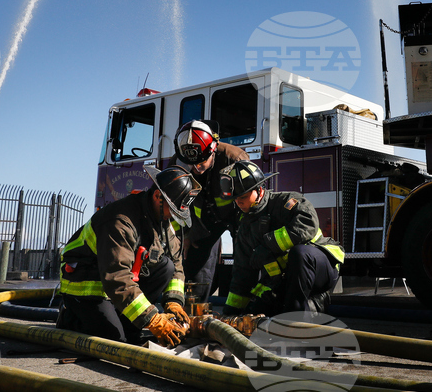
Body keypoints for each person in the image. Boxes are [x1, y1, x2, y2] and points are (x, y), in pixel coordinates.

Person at [58, 166, 199, 346]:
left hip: (116, 286)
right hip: (88, 284)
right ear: (157, 196)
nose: (173, 216)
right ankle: (71, 317)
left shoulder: (161, 219)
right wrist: (152, 319)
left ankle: (129, 325)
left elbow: (177, 264)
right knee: (113, 341)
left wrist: (174, 301)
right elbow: (117, 277)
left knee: (167, 267)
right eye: (172, 210)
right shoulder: (120, 221)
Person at [222, 160, 344, 317]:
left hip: (320, 268)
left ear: (259, 190)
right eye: (235, 199)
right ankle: (300, 311)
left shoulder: (286, 202)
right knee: (259, 311)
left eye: (243, 197)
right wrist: (229, 314)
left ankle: (294, 321)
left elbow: (308, 224)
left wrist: (268, 244)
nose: (239, 202)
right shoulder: (245, 228)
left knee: (300, 253)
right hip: (286, 280)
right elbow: (242, 274)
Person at [171, 120, 248, 302]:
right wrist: (186, 235)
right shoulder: (178, 163)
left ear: (213, 150)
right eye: (191, 163)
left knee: (246, 261)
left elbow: (252, 199)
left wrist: (250, 232)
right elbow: (174, 205)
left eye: (201, 162)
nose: (195, 168)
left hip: (239, 215)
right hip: (203, 220)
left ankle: (241, 311)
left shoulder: (234, 159)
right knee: (195, 266)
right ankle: (195, 309)